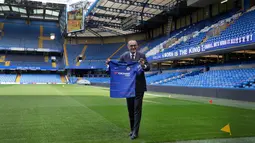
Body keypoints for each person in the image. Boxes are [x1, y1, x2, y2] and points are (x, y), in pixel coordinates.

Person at [106, 40, 150, 140]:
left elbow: (148, 67)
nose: (133, 47)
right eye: (131, 46)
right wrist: (109, 64)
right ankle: (132, 130)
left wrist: (143, 65)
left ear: (137, 46)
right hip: (128, 88)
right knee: (130, 110)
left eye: (134, 45)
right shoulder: (124, 56)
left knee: (137, 109)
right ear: (128, 47)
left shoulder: (142, 55)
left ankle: (135, 132)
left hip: (139, 87)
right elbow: (117, 67)